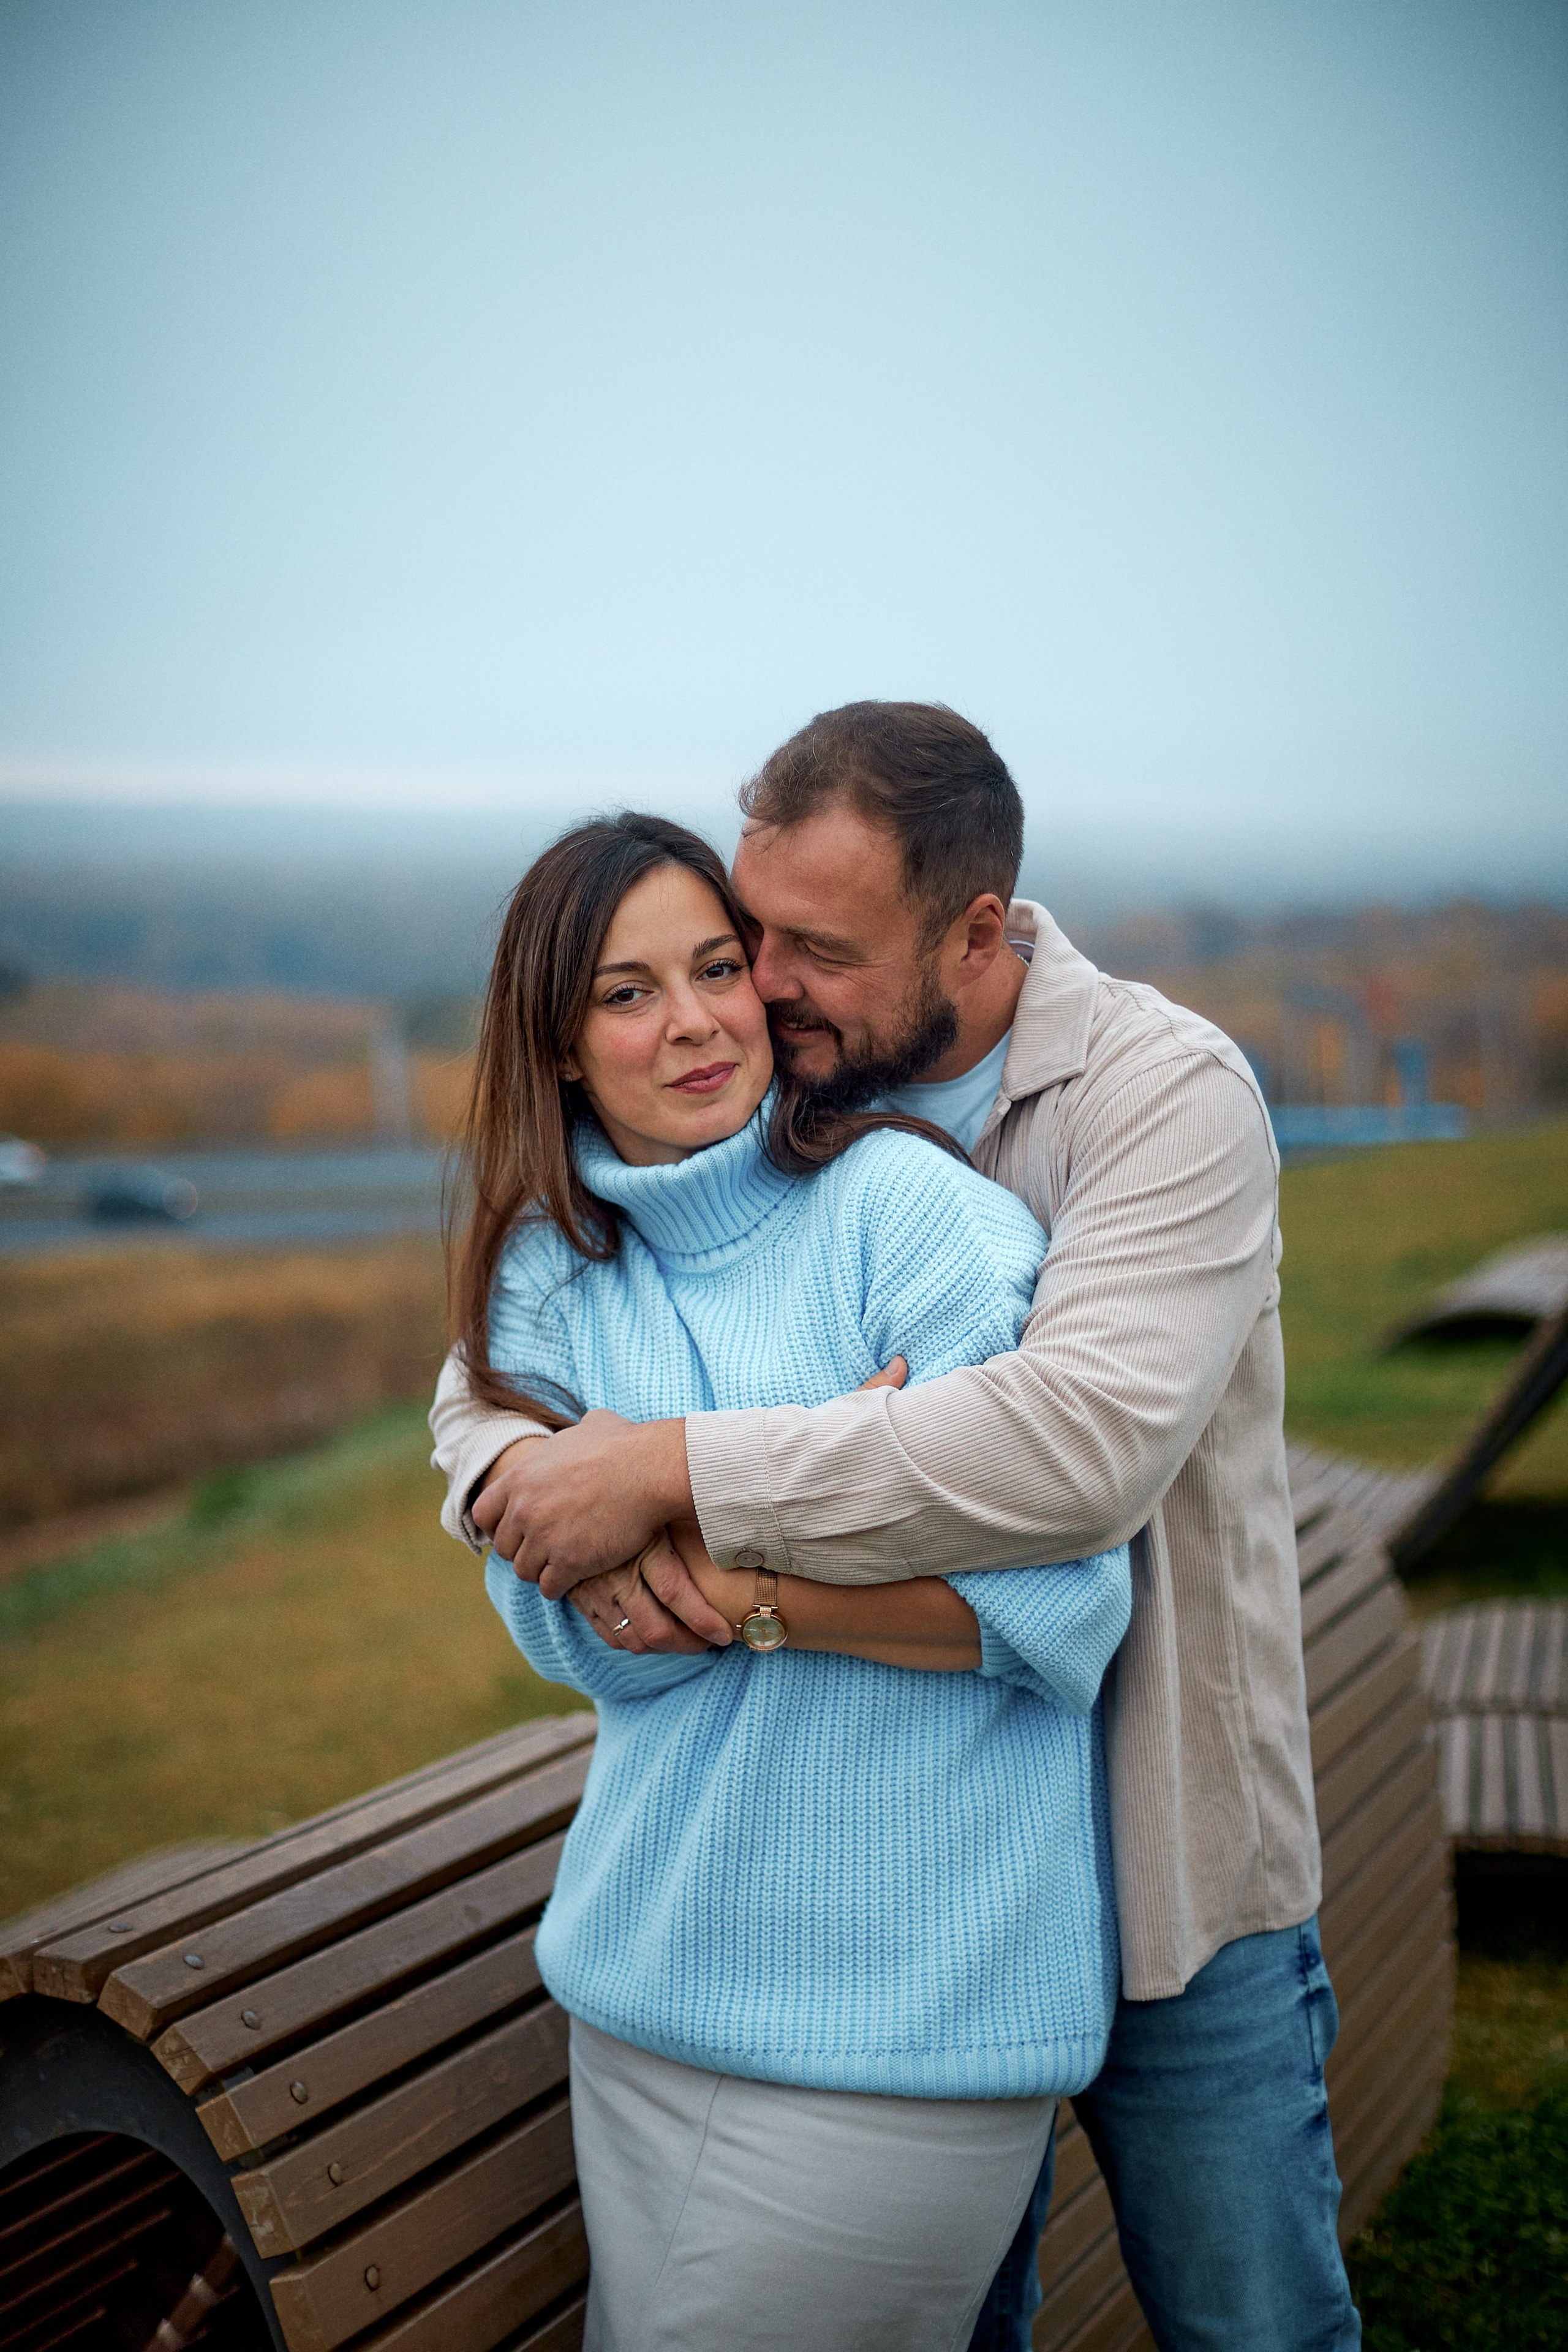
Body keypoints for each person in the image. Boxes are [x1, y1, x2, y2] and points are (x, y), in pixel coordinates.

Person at [432, 703, 1362, 2352]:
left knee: (1252, 2325)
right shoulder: (791, 1101)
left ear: (978, 934)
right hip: (852, 1900)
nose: (760, 992)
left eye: (802, 952)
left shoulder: (1159, 1100)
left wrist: (671, 1478)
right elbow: (533, 1453)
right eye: (746, 936)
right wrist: (498, 1449)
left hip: (1161, 1864)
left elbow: (1066, 1457)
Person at [451, 809, 1131, 2352]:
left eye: (713, 967)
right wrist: (840, 1462)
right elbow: (581, 1639)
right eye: (625, 993)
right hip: (635, 1986)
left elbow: (1059, 1607)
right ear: (557, 1044)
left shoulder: (913, 1217)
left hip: (903, 2024)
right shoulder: (551, 1270)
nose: (690, 1020)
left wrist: (698, 1523)